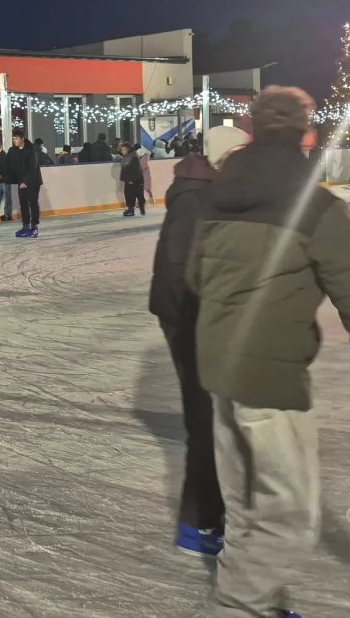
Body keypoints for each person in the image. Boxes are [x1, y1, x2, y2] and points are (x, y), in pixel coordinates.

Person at [186, 86, 350, 618]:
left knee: (248, 507)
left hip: (219, 374)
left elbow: (193, 277)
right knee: (289, 517)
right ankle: (239, 604)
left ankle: (253, 599)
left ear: (251, 133)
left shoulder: (213, 197)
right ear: (309, 135)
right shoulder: (316, 209)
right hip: (271, 382)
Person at [148, 125, 250, 559]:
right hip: (187, 318)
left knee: (213, 419)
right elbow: (182, 272)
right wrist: (202, 324)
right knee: (204, 420)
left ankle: (207, 515)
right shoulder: (195, 197)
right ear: (223, 157)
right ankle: (199, 522)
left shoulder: (211, 188)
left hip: (197, 316)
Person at [6, 130, 44, 238]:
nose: (15, 141)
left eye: (17, 138)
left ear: (22, 139)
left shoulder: (31, 150)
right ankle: (25, 226)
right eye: (13, 139)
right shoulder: (13, 150)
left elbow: (33, 168)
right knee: (23, 204)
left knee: (32, 202)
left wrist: (26, 181)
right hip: (21, 181)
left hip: (33, 181)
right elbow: (8, 163)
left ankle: (34, 227)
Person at [119, 142, 145, 216]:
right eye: (121, 149)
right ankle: (131, 209)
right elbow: (124, 169)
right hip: (128, 179)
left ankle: (141, 207)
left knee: (139, 194)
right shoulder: (125, 157)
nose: (122, 151)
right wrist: (123, 178)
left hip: (136, 179)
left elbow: (136, 170)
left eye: (123, 149)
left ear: (128, 149)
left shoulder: (134, 157)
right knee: (128, 194)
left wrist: (132, 180)